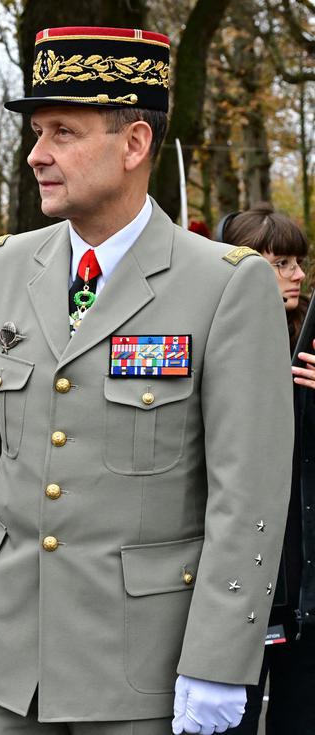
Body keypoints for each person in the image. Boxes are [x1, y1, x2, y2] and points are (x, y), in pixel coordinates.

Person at [0, 26, 293, 735]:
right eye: (37, 132)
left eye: (64, 131)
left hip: (141, 669)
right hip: (2, 656)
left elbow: (246, 493)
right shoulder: (3, 266)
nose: (37, 154)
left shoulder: (224, 285)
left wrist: (219, 654)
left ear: (133, 146)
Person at [218, 204, 315, 734]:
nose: (298, 274)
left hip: (303, 583)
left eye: (298, 262)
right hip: (233, 583)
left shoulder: (310, 344)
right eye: (280, 263)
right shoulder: (206, 339)